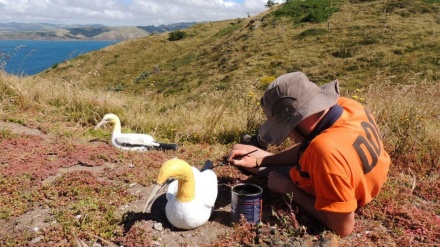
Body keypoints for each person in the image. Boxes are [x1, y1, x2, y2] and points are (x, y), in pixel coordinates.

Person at [228, 72, 390, 237]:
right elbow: (310, 148)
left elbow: (344, 228)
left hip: (325, 181)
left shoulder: (325, 151)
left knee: (241, 149)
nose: (289, 135)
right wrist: (259, 161)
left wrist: (288, 188)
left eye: (287, 129)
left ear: (300, 119)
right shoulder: (348, 106)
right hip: (357, 178)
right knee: (243, 150)